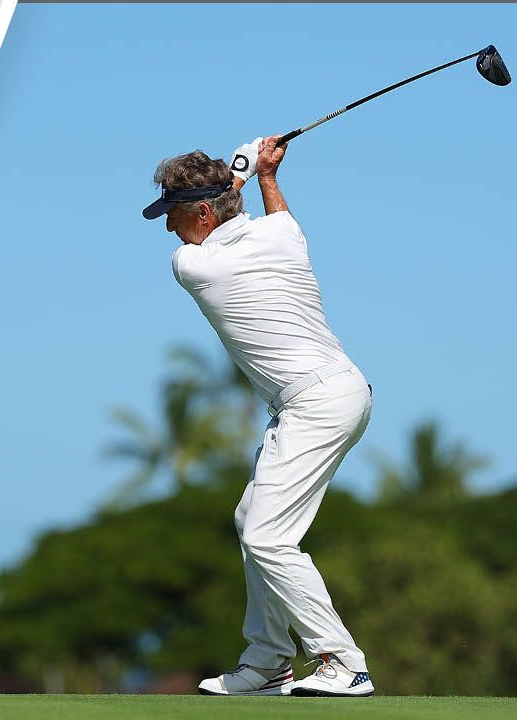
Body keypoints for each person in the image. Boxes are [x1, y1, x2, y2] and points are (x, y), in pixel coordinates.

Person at [142, 137, 374, 697]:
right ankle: (268, 661)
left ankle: (344, 662)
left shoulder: (194, 264)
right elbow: (261, 212)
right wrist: (263, 175)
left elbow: (223, 211)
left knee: (269, 535)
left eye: (172, 214)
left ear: (200, 212)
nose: (168, 229)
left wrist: (245, 170)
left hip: (315, 400)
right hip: (334, 392)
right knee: (254, 520)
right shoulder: (284, 234)